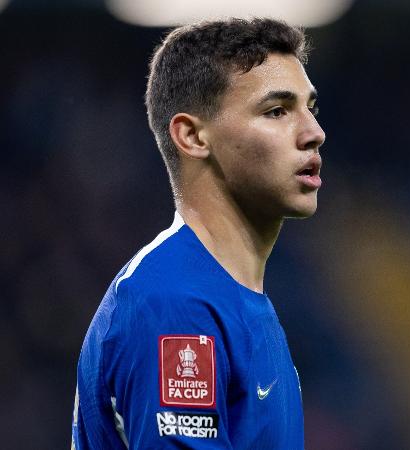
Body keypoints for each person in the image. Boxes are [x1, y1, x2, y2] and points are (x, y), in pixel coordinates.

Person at [71, 17, 325, 449]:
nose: (314, 134)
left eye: (310, 108)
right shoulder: (176, 304)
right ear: (192, 136)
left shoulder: (233, 299)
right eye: (277, 111)